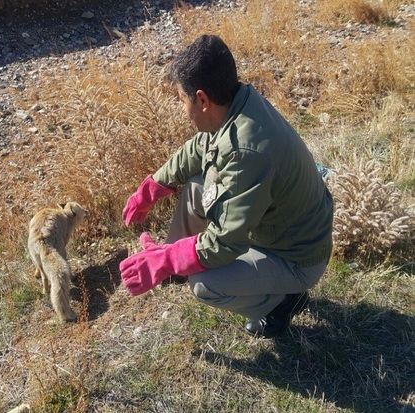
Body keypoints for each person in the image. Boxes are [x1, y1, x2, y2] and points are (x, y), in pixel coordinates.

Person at [119, 34, 333, 339]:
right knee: (196, 188)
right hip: (278, 228)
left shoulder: (247, 150)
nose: (182, 108)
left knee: (206, 284)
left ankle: (282, 302)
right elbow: (200, 147)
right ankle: (172, 265)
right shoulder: (238, 102)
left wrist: (167, 259)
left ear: (202, 100)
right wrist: (155, 185)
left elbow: (224, 243)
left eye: (182, 99)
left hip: (297, 258)